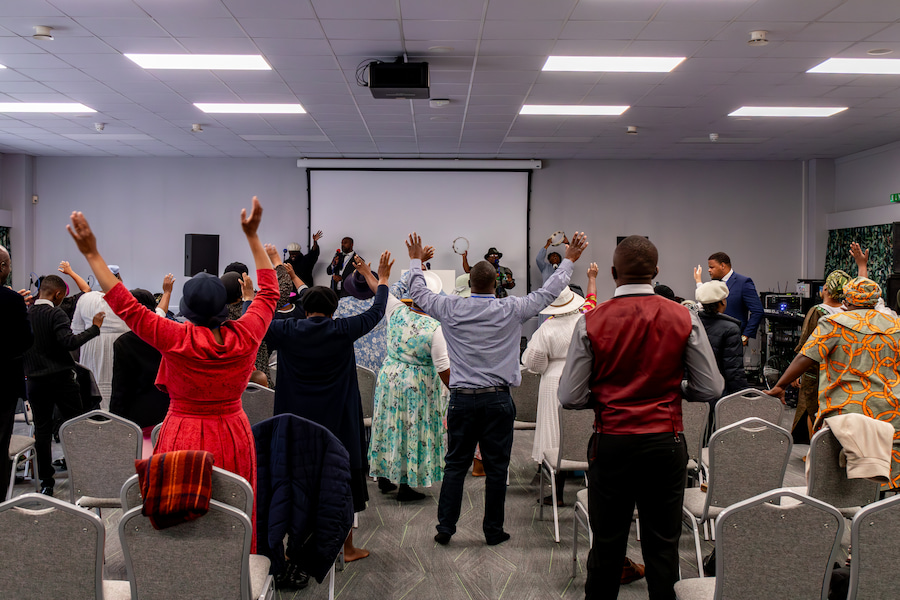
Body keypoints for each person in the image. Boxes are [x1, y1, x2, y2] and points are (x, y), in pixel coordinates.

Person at [67, 196, 278, 550]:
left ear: (187, 309)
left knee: (180, 521)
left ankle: (178, 571)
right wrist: (253, 237)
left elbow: (126, 306)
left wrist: (91, 254)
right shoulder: (246, 334)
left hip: (182, 432)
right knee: (234, 516)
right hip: (233, 432)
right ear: (225, 305)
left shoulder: (175, 337)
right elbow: (269, 294)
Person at [559, 235, 723, 600]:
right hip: (665, 441)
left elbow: (570, 396)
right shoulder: (684, 316)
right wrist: (677, 389)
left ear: (613, 272)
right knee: (663, 547)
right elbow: (710, 387)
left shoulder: (590, 321)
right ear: (656, 272)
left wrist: (604, 397)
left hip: (612, 442)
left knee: (606, 545)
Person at [406, 230, 589, 547]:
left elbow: (418, 293)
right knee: (496, 469)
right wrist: (569, 260)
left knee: (455, 466)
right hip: (498, 402)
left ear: (470, 282)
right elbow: (549, 292)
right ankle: (493, 531)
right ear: (496, 284)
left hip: (461, 400)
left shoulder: (450, 307)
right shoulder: (512, 308)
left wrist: (415, 261)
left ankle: (445, 528)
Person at [262, 251, 394, 563]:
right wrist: (383, 280)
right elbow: (377, 310)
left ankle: (295, 548)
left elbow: (258, 319)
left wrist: (255, 290)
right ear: (335, 311)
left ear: (303, 308)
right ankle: (346, 548)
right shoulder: (343, 329)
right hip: (339, 424)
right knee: (341, 483)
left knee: (296, 483)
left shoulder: (286, 330)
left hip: (296, 425)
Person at [765, 277, 900, 489]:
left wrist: (780, 385)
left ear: (847, 300)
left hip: (845, 412)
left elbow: (805, 356)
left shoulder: (834, 323)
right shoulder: (895, 325)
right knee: (887, 472)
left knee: (836, 479)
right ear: (875, 300)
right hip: (889, 411)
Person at [367, 255, 450, 501]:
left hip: (389, 379)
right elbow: (442, 366)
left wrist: (369, 273)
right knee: (411, 428)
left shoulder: (396, 310)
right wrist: (456, 389)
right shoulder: (435, 328)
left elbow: (379, 290)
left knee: (389, 424)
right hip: (418, 385)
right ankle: (405, 484)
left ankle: (384, 475)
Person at [23, 274, 105, 495]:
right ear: (57, 294)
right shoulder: (55, 313)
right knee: (76, 425)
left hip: (35, 381)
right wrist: (94, 328)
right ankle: (82, 475)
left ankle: (46, 482)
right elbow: (69, 342)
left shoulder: (26, 314)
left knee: (42, 430)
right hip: (60, 380)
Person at [790, 269, 849, 444]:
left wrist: (796, 373)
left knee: (812, 410)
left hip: (815, 371)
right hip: (839, 370)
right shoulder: (848, 312)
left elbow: (807, 343)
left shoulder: (818, 311)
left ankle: (814, 452)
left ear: (825, 289)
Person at [109, 288, 171, 431]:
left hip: (138, 415)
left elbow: (121, 387)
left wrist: (115, 418)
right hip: (169, 410)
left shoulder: (124, 343)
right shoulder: (169, 336)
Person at [70, 264, 130, 408]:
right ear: (118, 278)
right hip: (118, 351)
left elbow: (76, 331)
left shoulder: (85, 299)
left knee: (93, 391)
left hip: (91, 351)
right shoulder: (126, 299)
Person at [0, 245, 33, 500]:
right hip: (3, 383)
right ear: (3, 266)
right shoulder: (12, 301)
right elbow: (25, 341)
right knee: (1, 443)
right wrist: (20, 308)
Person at [693, 252, 763, 345]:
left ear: (722, 266)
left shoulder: (743, 283)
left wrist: (745, 337)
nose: (709, 270)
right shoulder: (713, 284)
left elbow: (757, 311)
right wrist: (698, 282)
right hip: (713, 338)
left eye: (712, 267)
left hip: (733, 339)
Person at [695, 280, 749, 396]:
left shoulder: (692, 324)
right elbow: (733, 370)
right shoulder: (731, 329)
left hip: (693, 391)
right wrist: (745, 396)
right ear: (722, 302)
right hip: (719, 392)